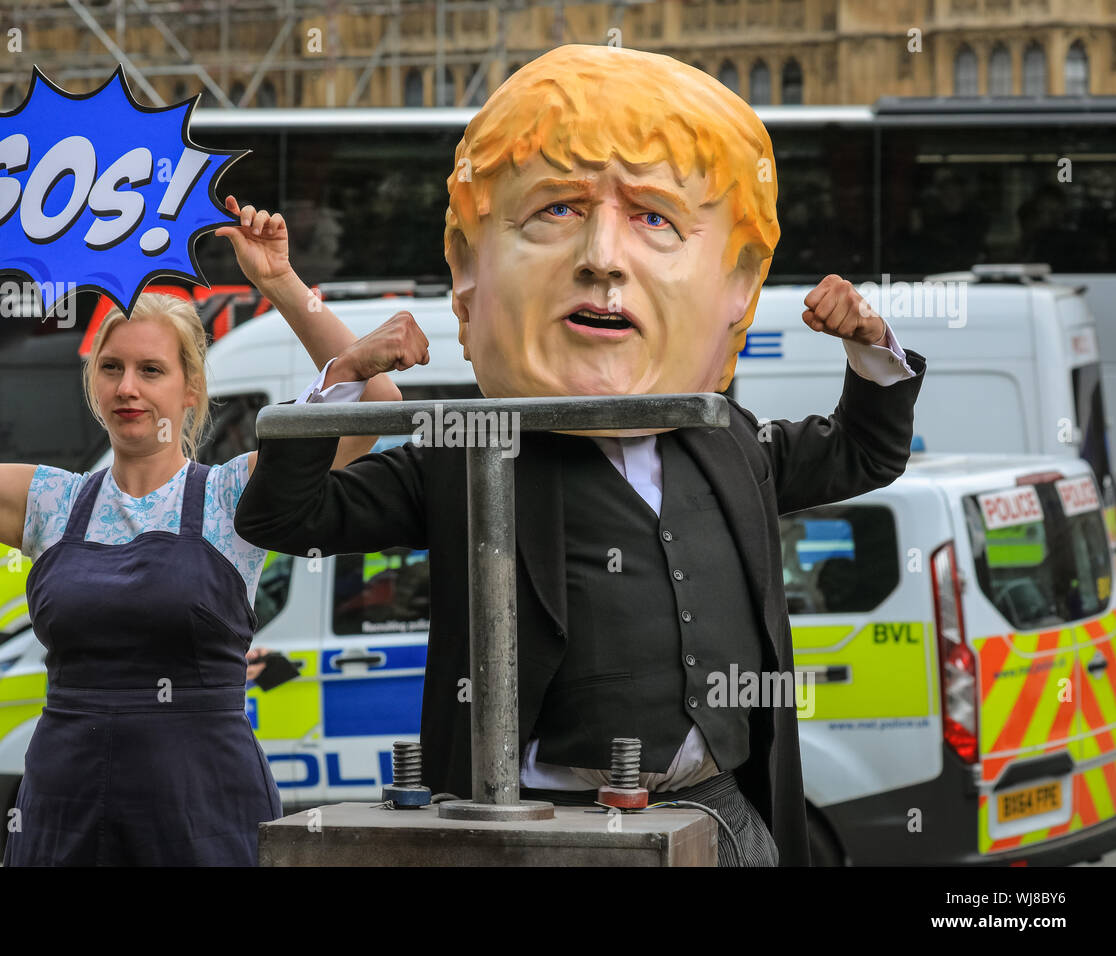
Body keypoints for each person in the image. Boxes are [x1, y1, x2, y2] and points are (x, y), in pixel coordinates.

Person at [236, 44, 928, 867]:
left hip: (723, 819)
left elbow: (865, 453)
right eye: (557, 210)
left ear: (739, 285)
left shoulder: (727, 440)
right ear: (466, 267)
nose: (602, 258)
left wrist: (872, 345)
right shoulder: (469, 456)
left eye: (655, 218)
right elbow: (286, 516)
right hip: (549, 833)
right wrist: (345, 378)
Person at [0, 193, 405, 866]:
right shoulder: (52, 502)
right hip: (64, 813)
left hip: (205, 814)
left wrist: (281, 283)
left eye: (151, 370)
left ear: (189, 390)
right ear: (92, 383)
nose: (128, 388)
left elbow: (376, 407)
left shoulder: (234, 494)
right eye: (111, 368)